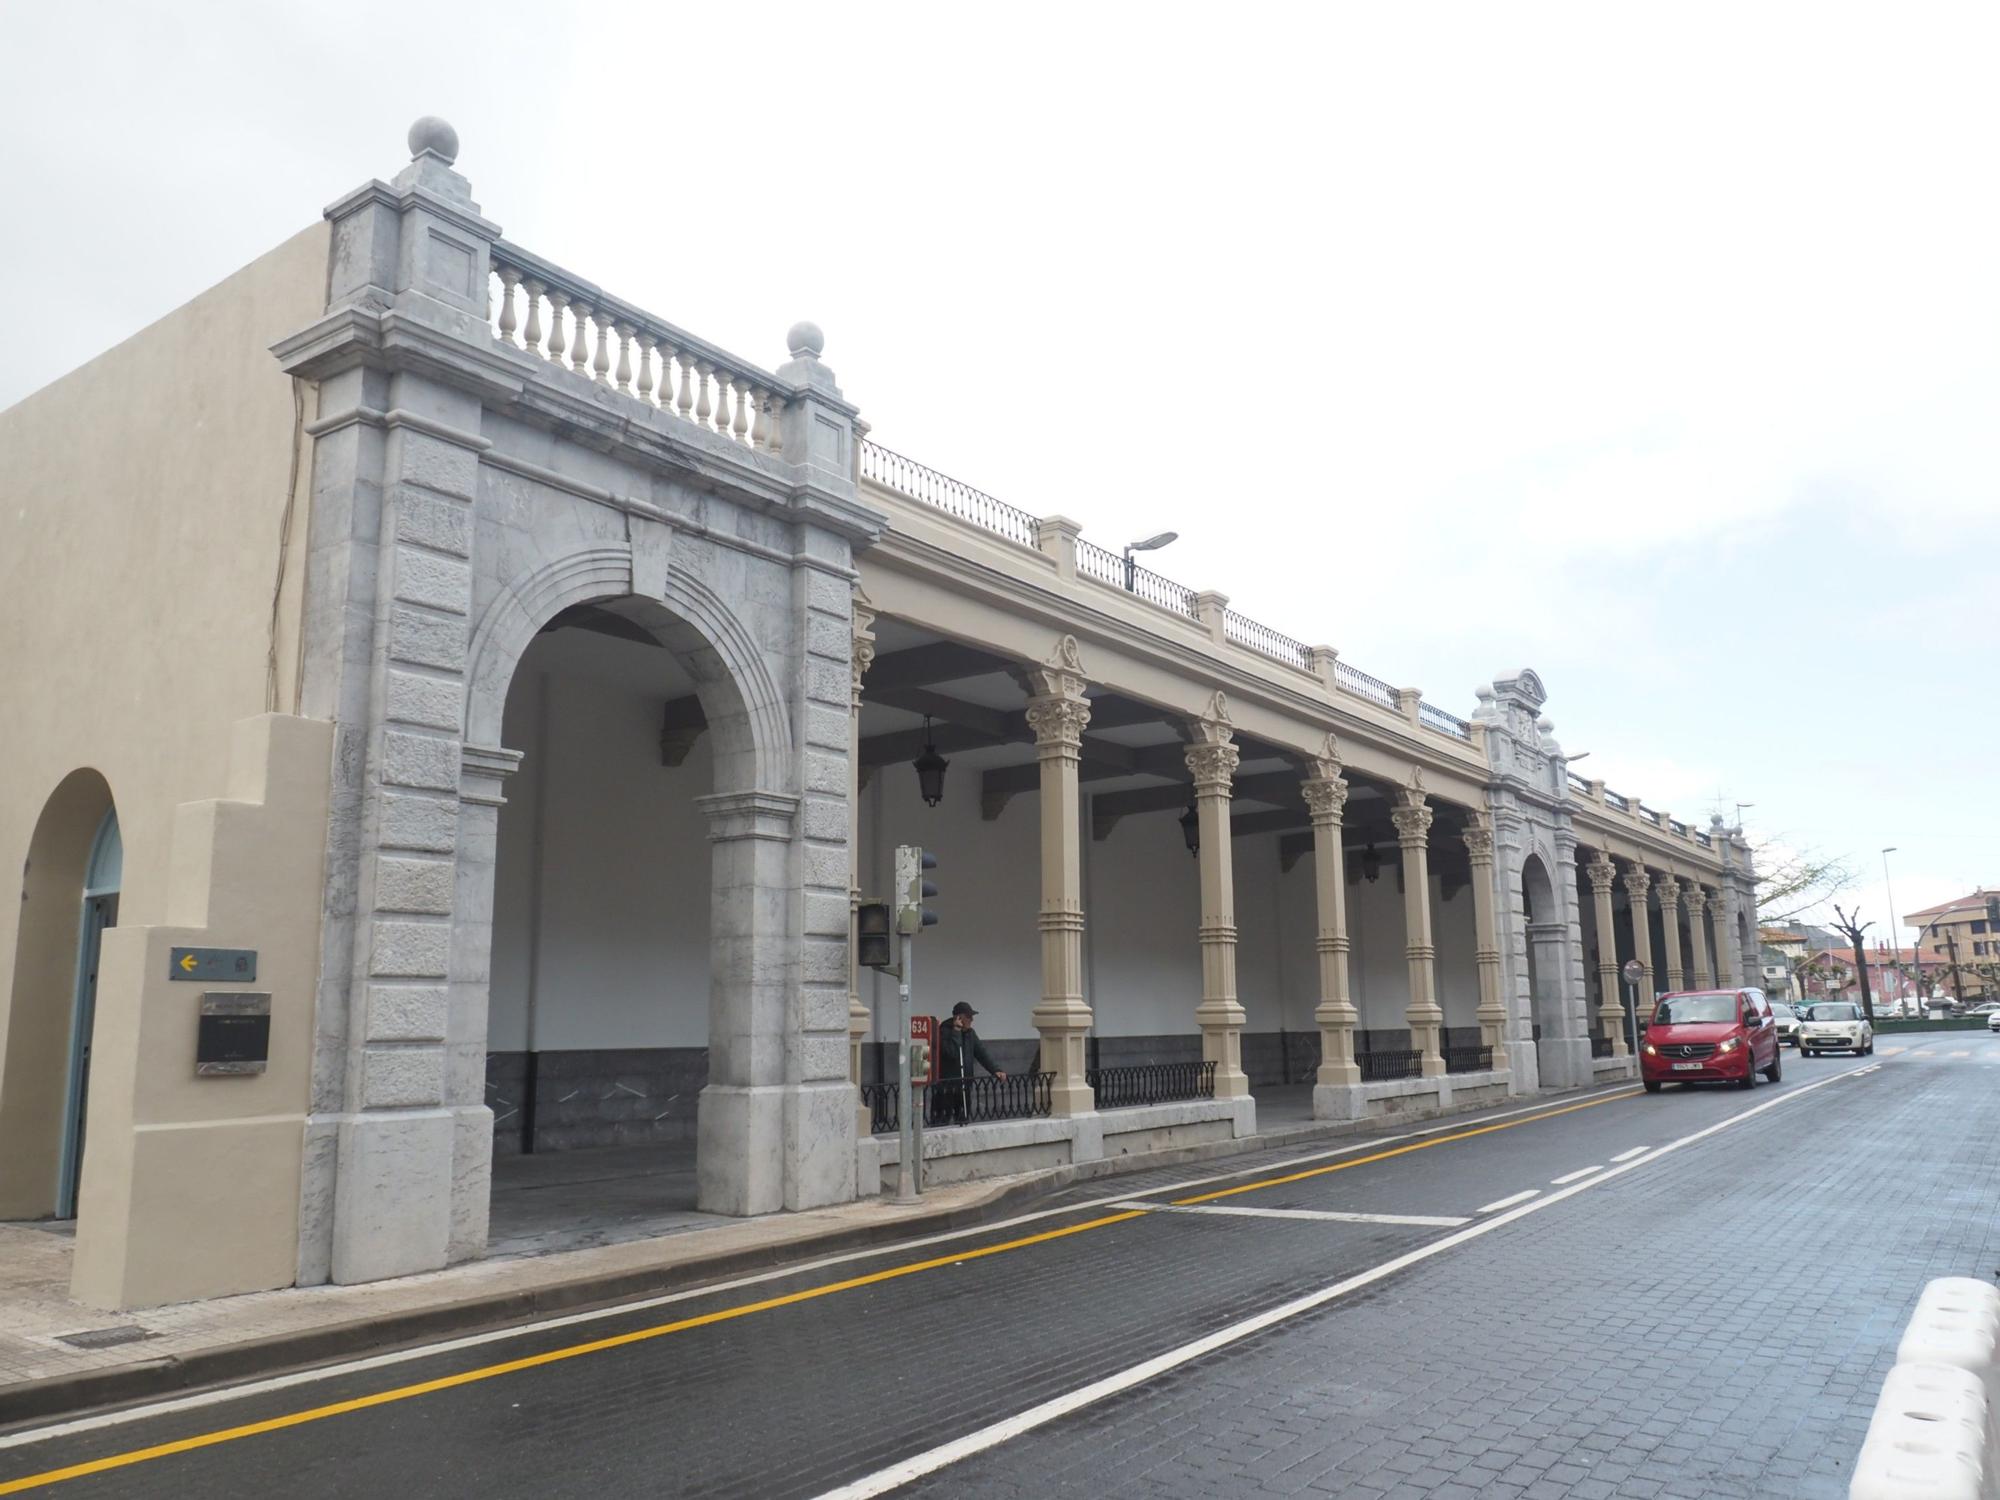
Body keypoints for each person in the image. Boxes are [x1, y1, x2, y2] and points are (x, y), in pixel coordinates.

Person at [932, 1002, 1006, 1126]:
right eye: (969, 1017)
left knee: (963, 1121)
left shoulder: (970, 1034)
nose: (972, 1020)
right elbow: (952, 1053)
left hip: (964, 1086)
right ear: (959, 1018)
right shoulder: (944, 1032)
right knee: (941, 1123)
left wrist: (995, 1069)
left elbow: (982, 1053)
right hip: (946, 1088)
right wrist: (956, 1031)